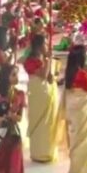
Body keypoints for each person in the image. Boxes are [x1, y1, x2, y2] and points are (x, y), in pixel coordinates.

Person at [23, 33, 59, 163]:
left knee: (48, 122)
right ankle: (39, 153)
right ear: (39, 45)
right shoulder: (30, 61)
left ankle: (48, 151)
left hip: (46, 91)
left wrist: (51, 67)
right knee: (39, 120)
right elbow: (43, 75)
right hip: (37, 92)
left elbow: (49, 77)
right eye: (45, 43)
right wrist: (48, 60)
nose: (47, 46)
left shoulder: (43, 59)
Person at [63, 45, 87, 173]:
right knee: (84, 140)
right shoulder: (82, 74)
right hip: (83, 110)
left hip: (73, 109)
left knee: (76, 139)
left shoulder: (69, 72)